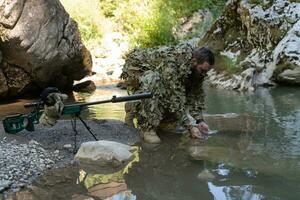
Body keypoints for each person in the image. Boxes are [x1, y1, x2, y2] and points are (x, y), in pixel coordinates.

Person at [122, 44, 214, 143]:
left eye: (206, 72)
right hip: (136, 69)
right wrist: (190, 126)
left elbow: (196, 96)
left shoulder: (196, 71)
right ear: (194, 61)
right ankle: (146, 126)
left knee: (181, 89)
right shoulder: (173, 62)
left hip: (161, 75)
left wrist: (199, 121)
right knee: (154, 80)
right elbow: (174, 97)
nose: (203, 74)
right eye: (202, 70)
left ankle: (164, 122)